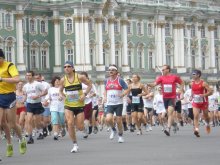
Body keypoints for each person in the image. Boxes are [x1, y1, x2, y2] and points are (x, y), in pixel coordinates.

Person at [59, 61, 92, 153]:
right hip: (68, 104)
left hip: (79, 105)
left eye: (69, 66)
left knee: (80, 127)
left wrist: (84, 94)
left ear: (73, 68)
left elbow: (90, 85)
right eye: (65, 67)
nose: (66, 68)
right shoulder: (63, 80)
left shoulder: (80, 77)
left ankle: (84, 128)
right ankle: (75, 144)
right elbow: (60, 91)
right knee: (69, 123)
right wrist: (62, 95)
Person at [0, 49, 27, 158]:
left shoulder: (9, 65)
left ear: (2, 58)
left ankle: (21, 138)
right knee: (1, 123)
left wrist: (2, 79)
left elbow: (17, 79)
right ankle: (9, 143)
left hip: (9, 96)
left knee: (12, 123)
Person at [148, 64, 184, 136]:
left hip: (172, 97)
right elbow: (155, 84)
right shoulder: (161, 78)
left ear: (168, 70)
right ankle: (174, 124)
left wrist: (180, 90)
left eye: (163, 69)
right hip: (165, 98)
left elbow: (182, 82)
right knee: (168, 114)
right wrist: (149, 84)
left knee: (170, 113)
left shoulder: (174, 77)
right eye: (162, 69)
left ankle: (168, 129)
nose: (162, 70)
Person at [103, 64, 128, 143]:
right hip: (110, 103)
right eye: (109, 70)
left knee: (118, 121)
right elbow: (105, 90)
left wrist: (123, 94)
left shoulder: (120, 80)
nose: (110, 71)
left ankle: (120, 136)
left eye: (112, 70)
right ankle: (113, 130)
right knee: (108, 119)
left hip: (118, 103)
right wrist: (105, 97)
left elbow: (127, 89)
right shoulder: (106, 80)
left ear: (116, 72)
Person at [23, 71, 48, 144]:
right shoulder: (25, 86)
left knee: (38, 123)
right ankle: (30, 138)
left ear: (33, 76)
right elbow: (25, 95)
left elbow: (45, 92)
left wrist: (38, 96)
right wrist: (23, 99)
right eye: (27, 75)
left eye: (29, 75)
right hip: (29, 104)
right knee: (29, 120)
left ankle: (44, 127)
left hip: (37, 104)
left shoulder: (38, 84)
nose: (28, 77)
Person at [189, 69, 213, 137]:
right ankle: (196, 130)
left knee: (206, 116)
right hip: (195, 102)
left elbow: (211, 92)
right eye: (192, 74)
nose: (192, 75)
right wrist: (191, 96)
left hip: (204, 102)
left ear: (198, 75)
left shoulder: (203, 83)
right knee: (196, 115)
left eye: (194, 74)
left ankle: (207, 124)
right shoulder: (191, 83)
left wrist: (204, 95)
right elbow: (193, 91)